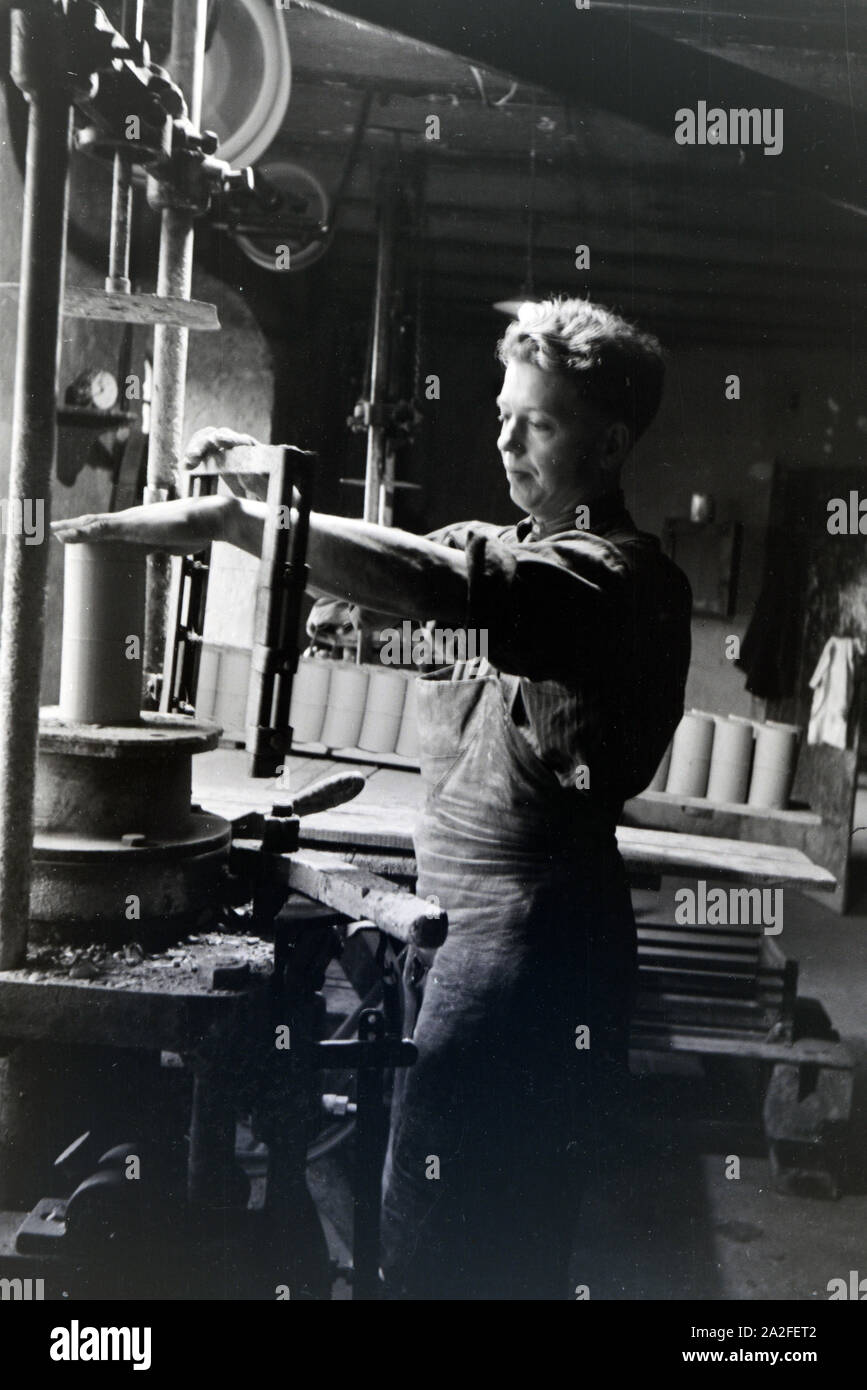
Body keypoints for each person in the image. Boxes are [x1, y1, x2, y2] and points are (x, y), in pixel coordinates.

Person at [52, 296, 692, 1300]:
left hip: (532, 956)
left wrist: (243, 520)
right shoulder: (512, 545)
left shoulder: (615, 582)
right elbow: (376, 590)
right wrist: (253, 479)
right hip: (455, 935)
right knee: (421, 1209)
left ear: (611, 444)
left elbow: (449, 582)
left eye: (543, 422)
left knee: (467, 1239)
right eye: (502, 412)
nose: (508, 438)